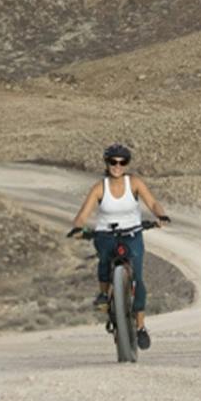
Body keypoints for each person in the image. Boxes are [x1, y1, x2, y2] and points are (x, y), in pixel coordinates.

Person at [67, 143, 171, 349]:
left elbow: (152, 203)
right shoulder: (99, 188)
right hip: (106, 234)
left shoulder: (134, 183)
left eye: (122, 162)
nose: (117, 165)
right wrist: (78, 228)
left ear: (126, 164)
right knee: (104, 261)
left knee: (139, 279)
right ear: (107, 163)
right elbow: (83, 214)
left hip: (132, 233)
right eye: (113, 161)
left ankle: (140, 327)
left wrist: (160, 215)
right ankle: (105, 295)